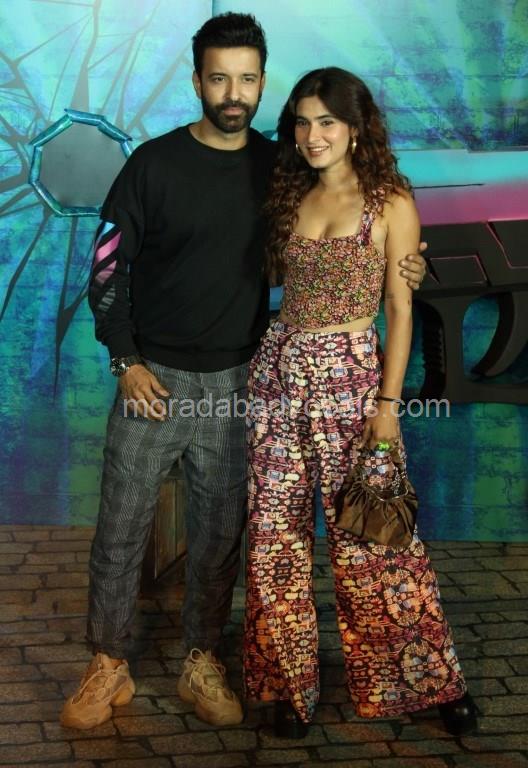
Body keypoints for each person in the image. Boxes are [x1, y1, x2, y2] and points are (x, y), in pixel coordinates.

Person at [60, 15, 427, 731]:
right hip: (153, 380)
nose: (234, 92)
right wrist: (125, 358)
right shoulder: (152, 165)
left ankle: (203, 658)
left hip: (243, 384)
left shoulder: (282, 168)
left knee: (221, 534)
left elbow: (353, 229)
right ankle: (108, 662)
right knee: (121, 528)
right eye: (219, 78)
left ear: (262, 84)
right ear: (197, 80)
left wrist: (413, 265)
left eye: (248, 79)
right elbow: (104, 265)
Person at [243, 67, 477, 739]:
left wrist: (388, 405)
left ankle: (429, 681)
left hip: (352, 380)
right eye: (302, 122)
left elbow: (401, 311)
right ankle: (289, 689)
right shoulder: (290, 192)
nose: (312, 136)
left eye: (327, 122)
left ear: (355, 127)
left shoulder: (389, 201)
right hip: (278, 375)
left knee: (374, 540)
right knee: (273, 540)